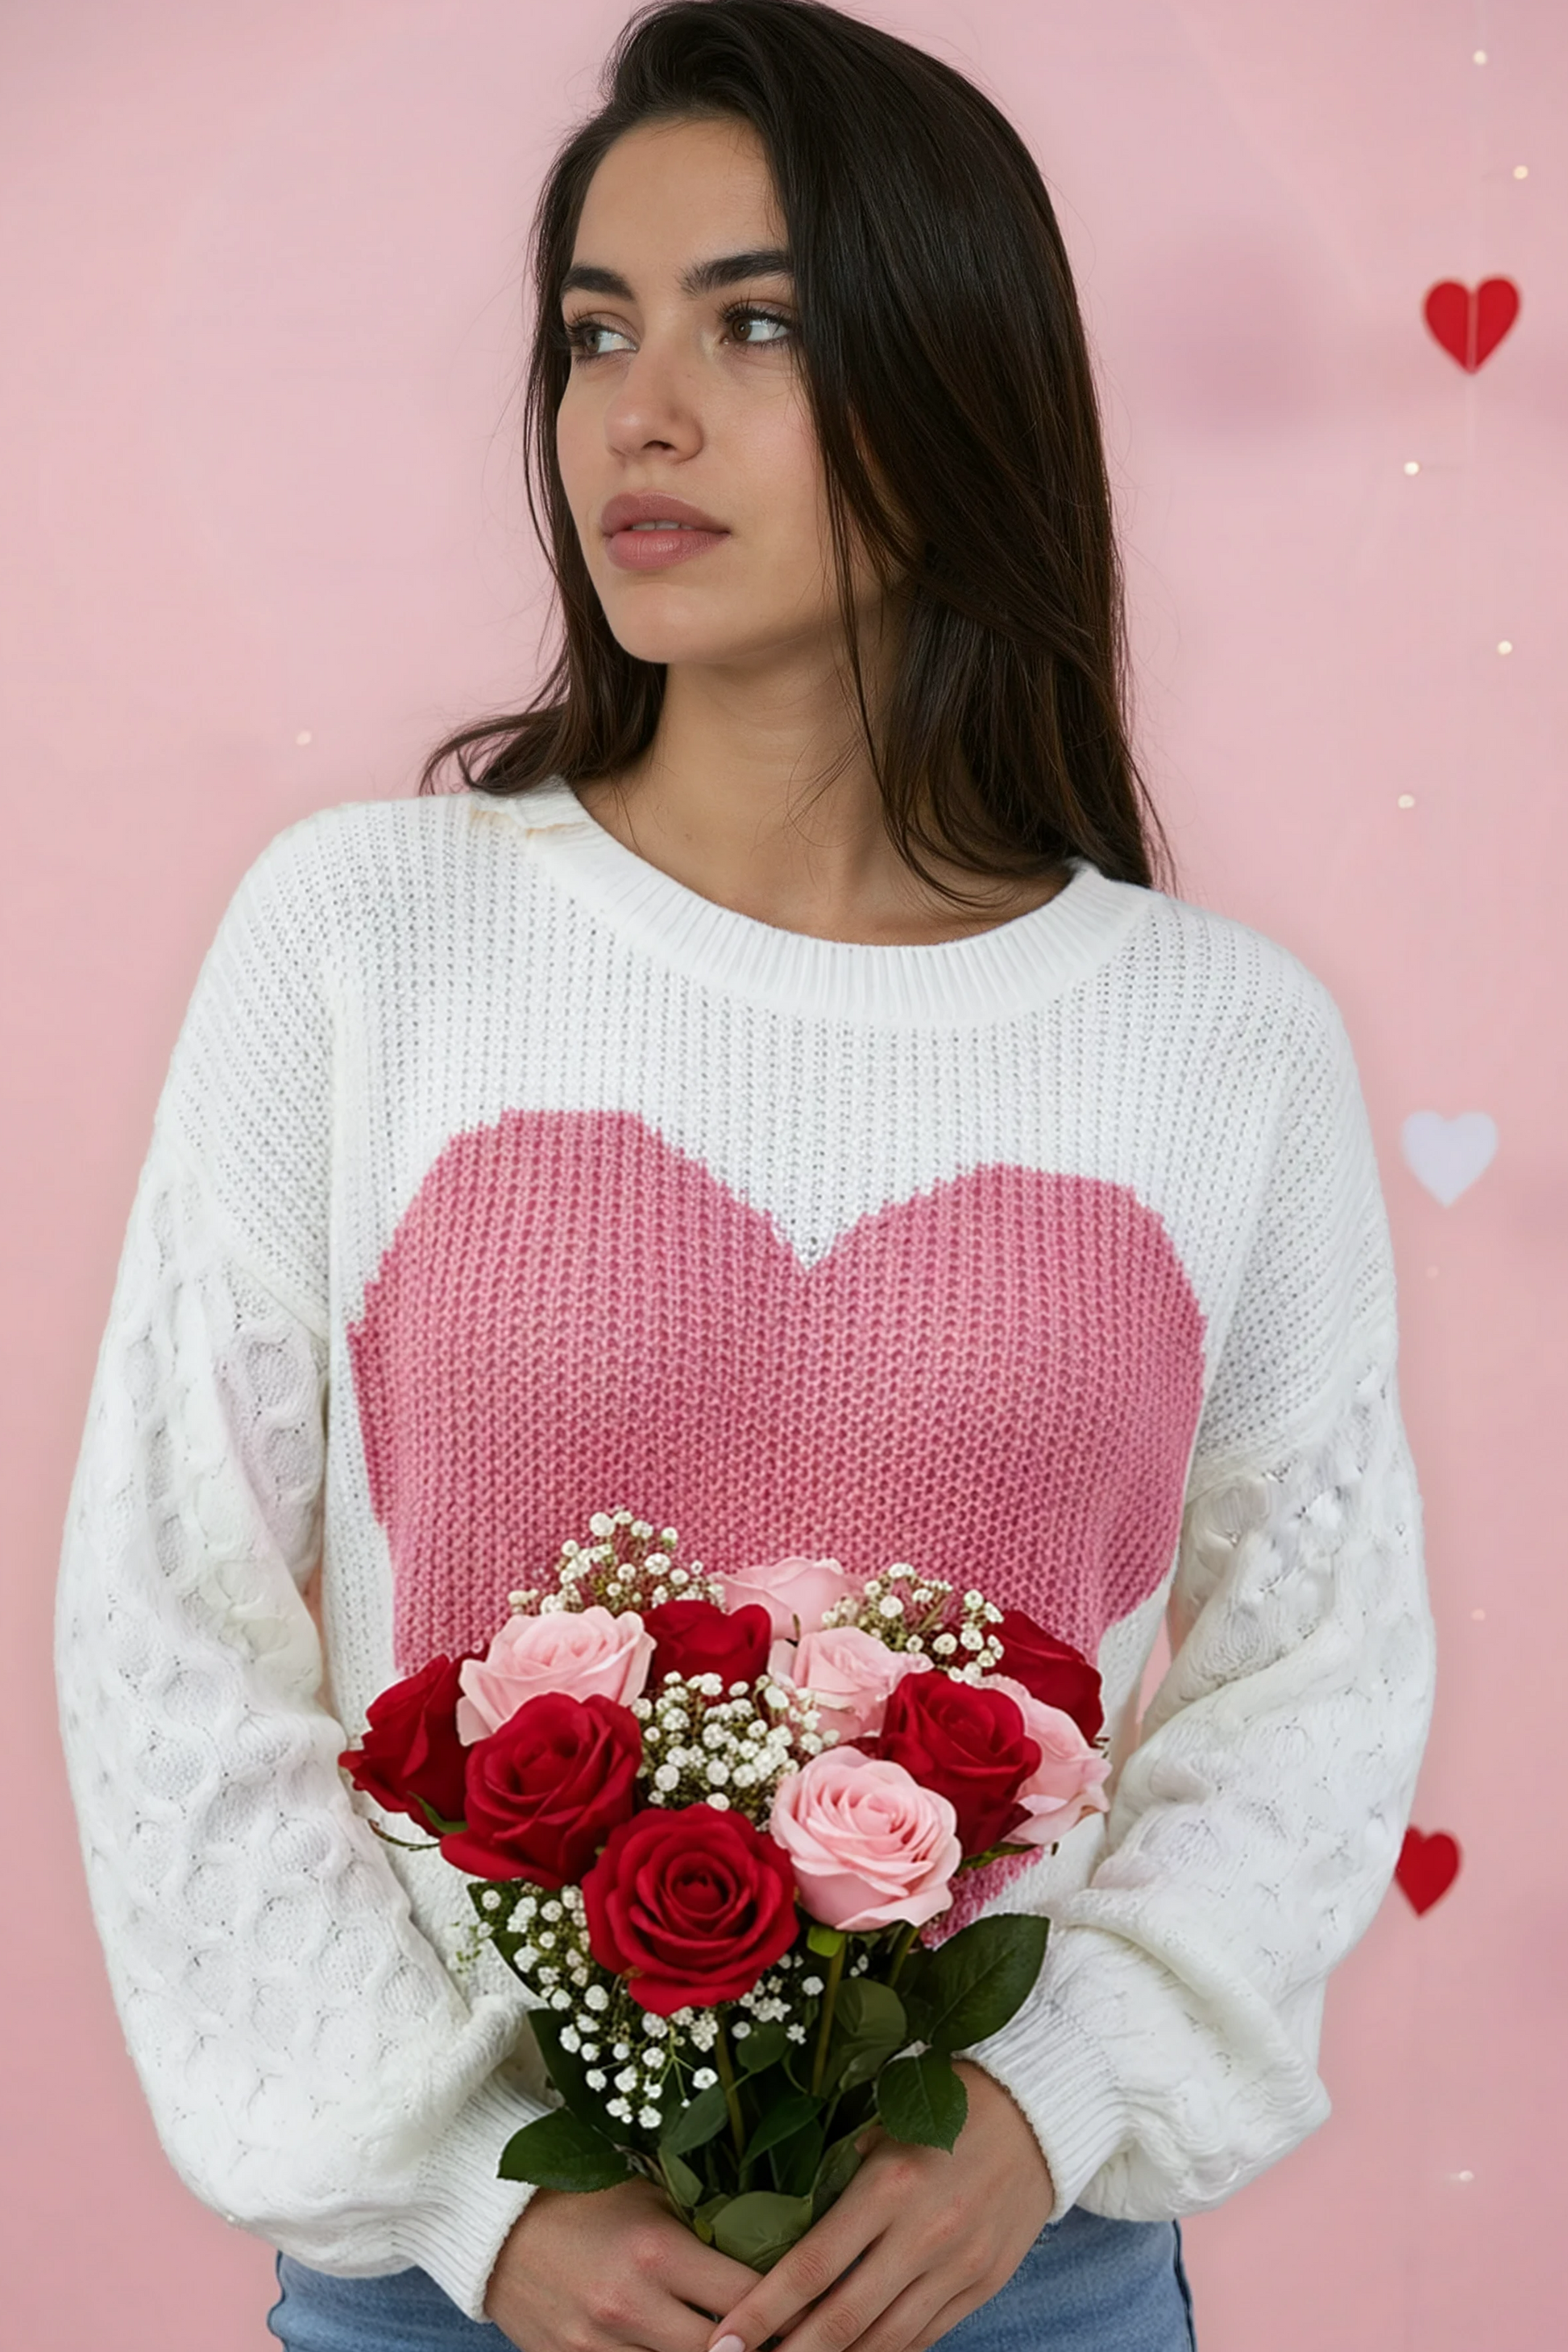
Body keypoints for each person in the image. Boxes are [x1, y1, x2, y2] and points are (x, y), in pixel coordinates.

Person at [54, 3, 1437, 2350]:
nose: (640, 411)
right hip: (462, 2289)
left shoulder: (1226, 1048)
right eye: (595, 332)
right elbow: (167, 1623)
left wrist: (1045, 2103)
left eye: (756, 321)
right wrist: (482, 2196)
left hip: (1019, 2283)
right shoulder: (363, 938)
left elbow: (1315, 1677)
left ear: (956, 366)